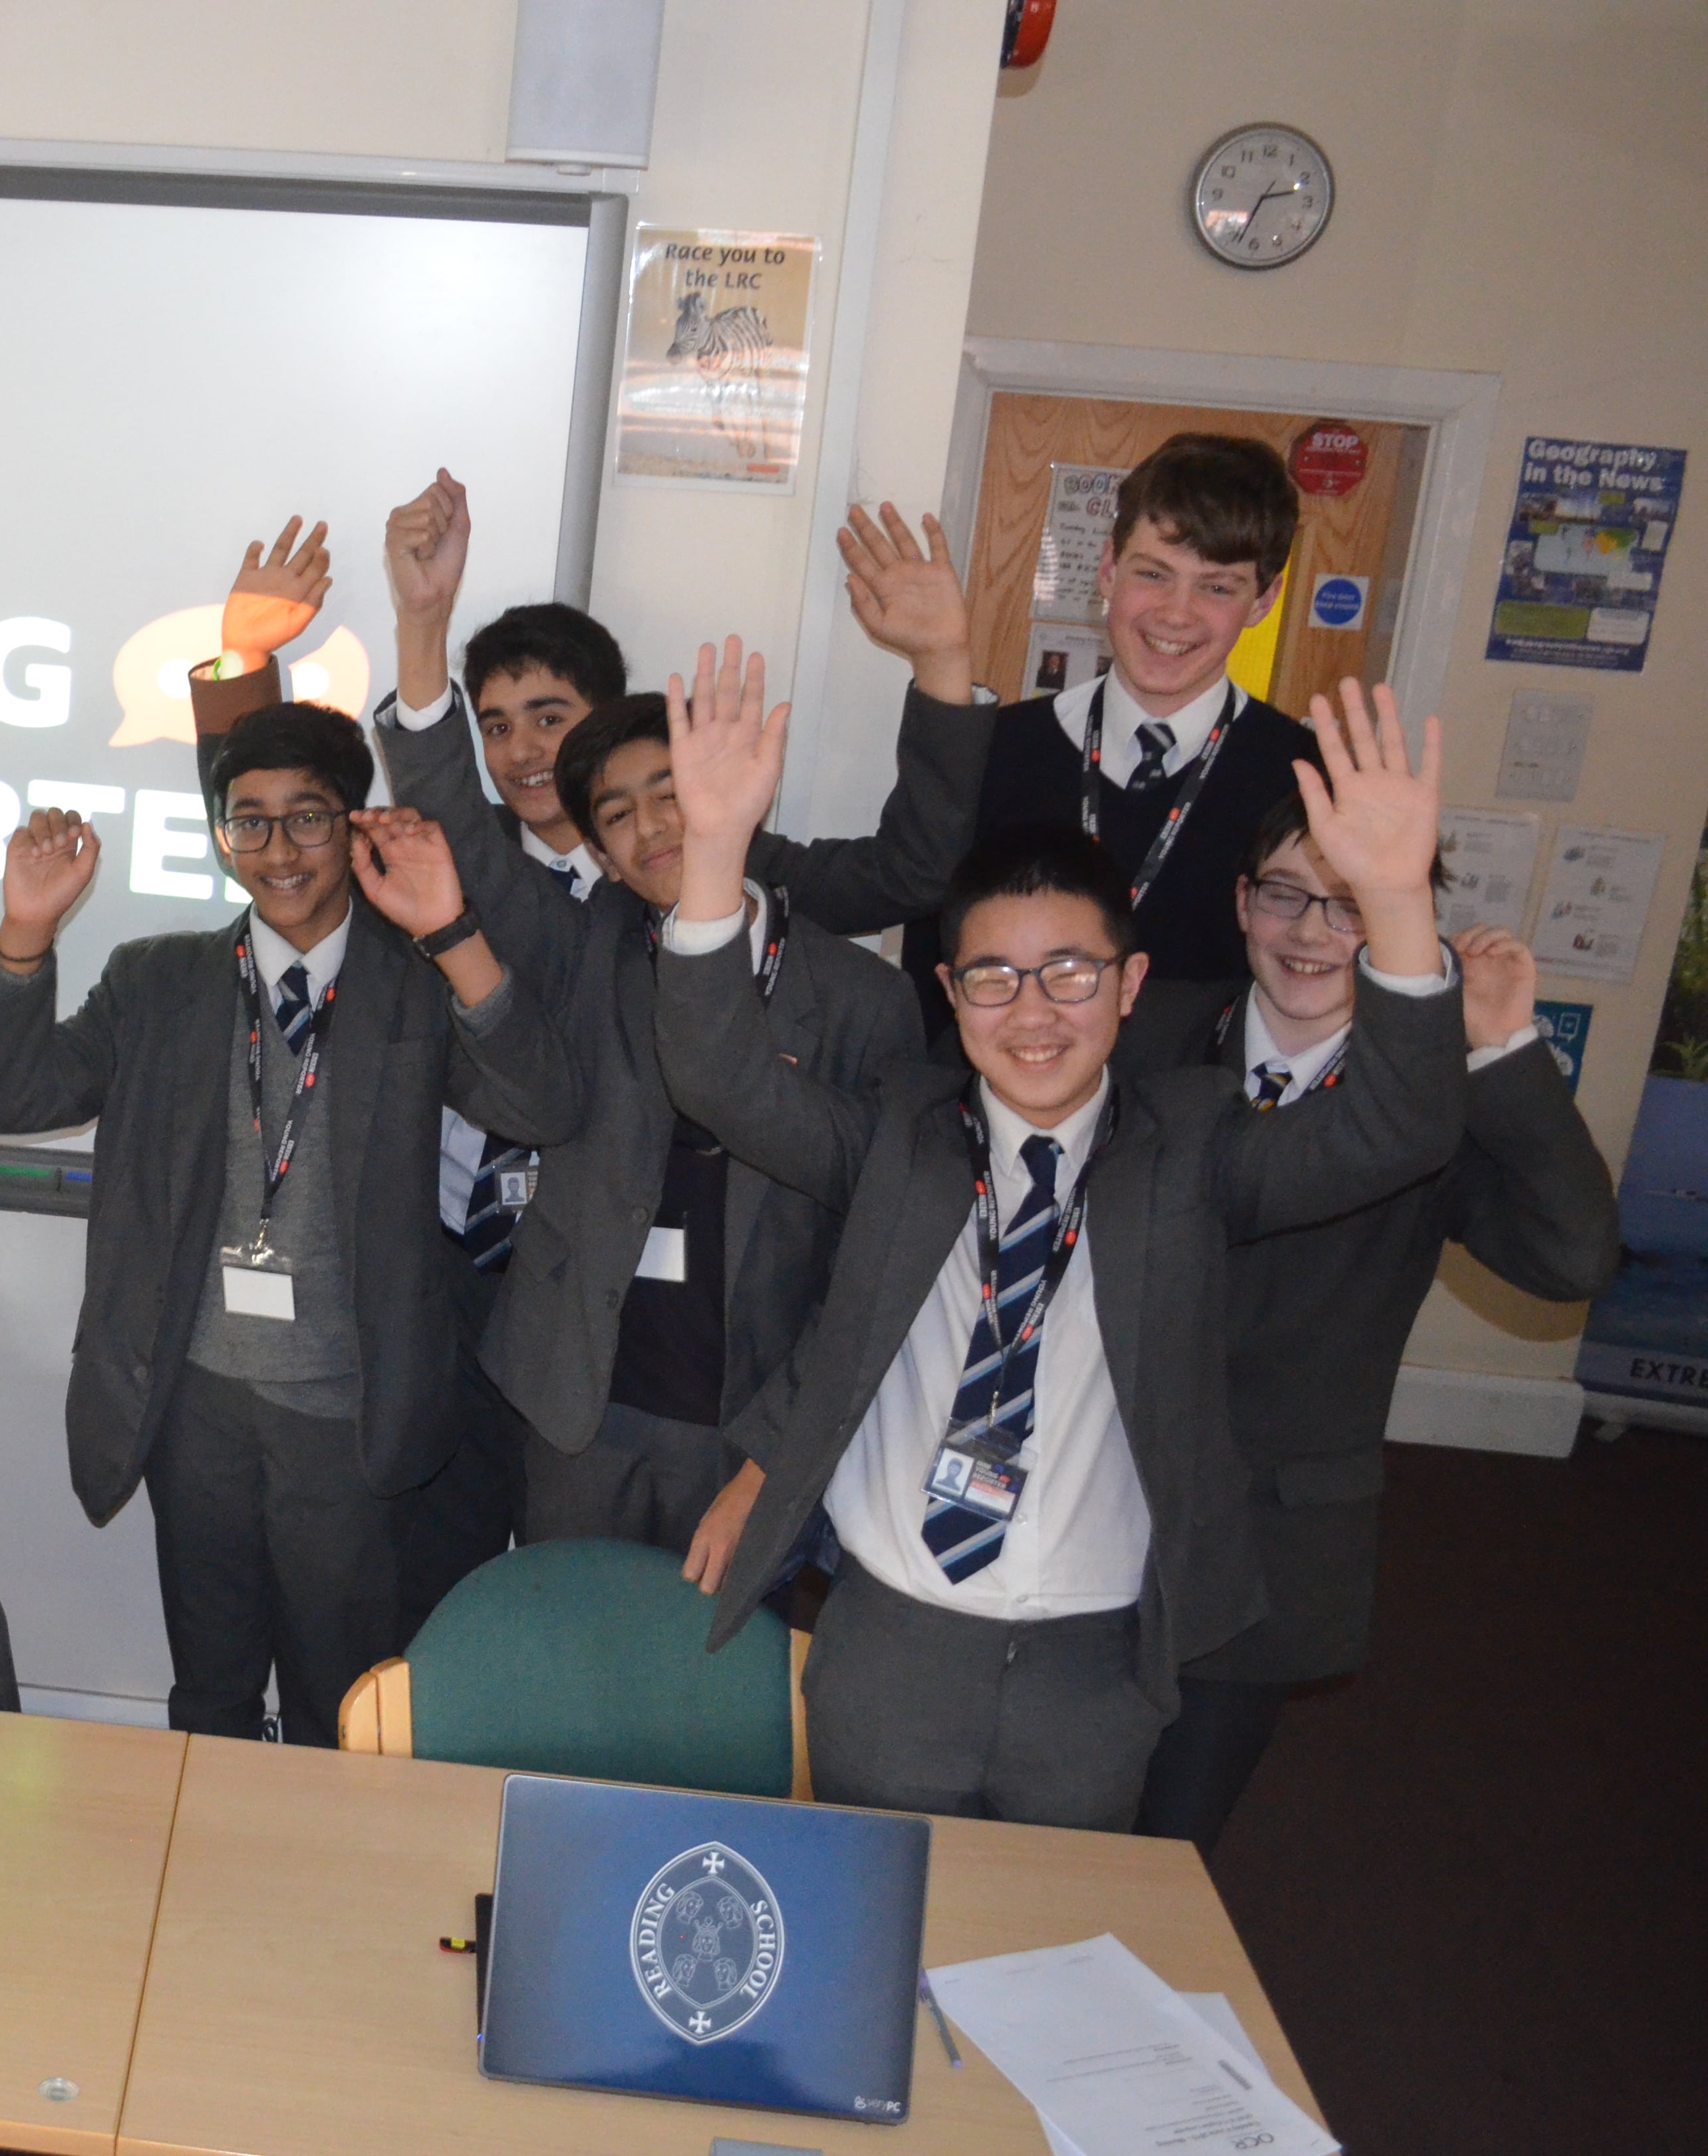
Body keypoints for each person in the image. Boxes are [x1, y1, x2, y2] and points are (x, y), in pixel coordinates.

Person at [663, 670, 1470, 1830]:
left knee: (1051, 1925)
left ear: (1130, 984)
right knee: (878, 1901)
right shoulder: (896, 1135)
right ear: (950, 991)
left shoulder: (1193, 1147)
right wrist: (711, 853)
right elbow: (717, 1074)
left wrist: (1392, 899)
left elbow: (1399, 1124)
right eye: (993, 978)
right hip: (892, 1637)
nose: (1032, 1012)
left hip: (1092, 1663)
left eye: (1071, 974)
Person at [352, 472, 989, 1549]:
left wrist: (941, 666)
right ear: (598, 849)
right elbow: (460, 835)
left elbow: (915, 867)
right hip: (572, 1379)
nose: (653, 827)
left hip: (742, 1398)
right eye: (618, 813)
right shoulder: (584, 931)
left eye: (674, 795)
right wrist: (421, 627)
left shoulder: (849, 985)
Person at [0, 703, 578, 1746]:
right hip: (194, 1397)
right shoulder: (158, 980)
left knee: (342, 1698)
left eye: (308, 819)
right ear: (221, 836)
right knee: (211, 1689)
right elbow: (9, 1094)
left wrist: (452, 935)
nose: (279, 850)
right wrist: (26, 934)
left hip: (347, 1407)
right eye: (250, 822)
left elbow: (543, 1106)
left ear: (354, 826)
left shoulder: (415, 981)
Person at [1121, 795, 1620, 1848]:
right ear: (1241, 903)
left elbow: (1572, 1260)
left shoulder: (1433, 1096)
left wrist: (1501, 1045)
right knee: (1037, 1811)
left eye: (1350, 906)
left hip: (1267, 1540)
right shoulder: (1145, 1029)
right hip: (1092, 1494)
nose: (1310, 933)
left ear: (1403, 924)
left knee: (1165, 1847)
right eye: (1285, 895)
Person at [896, 431, 1323, 1027]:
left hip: (1215, 1086)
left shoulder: (1307, 778)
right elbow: (933, 959)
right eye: (1154, 574)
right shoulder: (997, 751)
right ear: (1108, 569)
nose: (1176, 614)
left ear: (1263, 601)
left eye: (1217, 587)